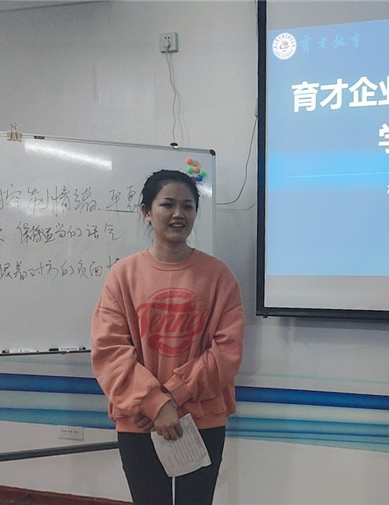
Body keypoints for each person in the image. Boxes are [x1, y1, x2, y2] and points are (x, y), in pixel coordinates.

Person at [90, 169, 244, 505]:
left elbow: (227, 352)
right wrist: (153, 404)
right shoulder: (122, 275)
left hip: (201, 417)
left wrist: (170, 398)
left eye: (187, 206)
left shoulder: (219, 276)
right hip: (140, 419)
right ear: (146, 211)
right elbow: (109, 350)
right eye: (168, 204)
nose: (178, 214)